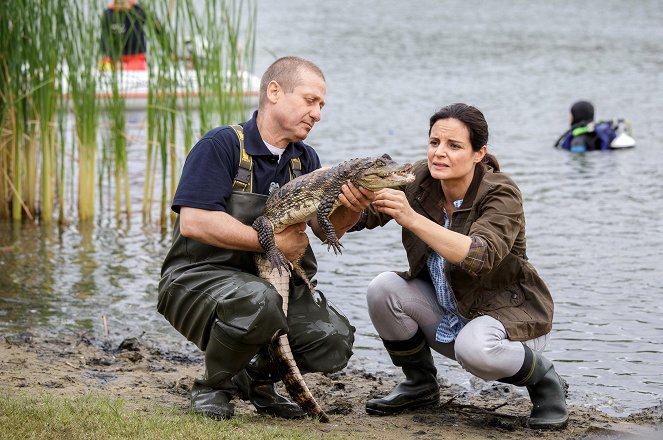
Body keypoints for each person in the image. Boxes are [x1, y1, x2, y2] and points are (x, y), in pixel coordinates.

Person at [157, 56, 371, 421]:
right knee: (259, 298)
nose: (317, 113)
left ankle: (253, 378)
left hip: (268, 288)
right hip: (198, 282)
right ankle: (214, 387)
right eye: (310, 100)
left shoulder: (305, 160)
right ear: (274, 91)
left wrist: (353, 206)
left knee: (334, 339)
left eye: (321, 105)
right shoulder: (221, 145)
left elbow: (322, 230)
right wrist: (270, 244)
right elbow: (194, 223)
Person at [352, 103, 569, 430]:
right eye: (434, 142)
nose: (439, 153)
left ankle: (546, 382)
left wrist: (409, 217)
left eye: (454, 146)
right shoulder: (418, 179)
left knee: (474, 348)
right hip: (452, 313)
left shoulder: (501, 192)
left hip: (511, 322)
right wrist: (341, 200)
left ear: (478, 153)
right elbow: (358, 218)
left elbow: (480, 256)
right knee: (383, 289)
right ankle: (420, 385)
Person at [554, 100, 633, 152]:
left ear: (576, 116)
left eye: (570, 114)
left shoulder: (578, 140)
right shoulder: (600, 131)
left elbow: (578, 156)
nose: (568, 118)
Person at [100, 1, 148, 70]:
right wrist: (115, 60)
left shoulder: (139, 11)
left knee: (137, 67)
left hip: (136, 58)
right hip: (114, 58)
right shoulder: (108, 14)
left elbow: (156, 27)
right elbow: (104, 42)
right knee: (103, 66)